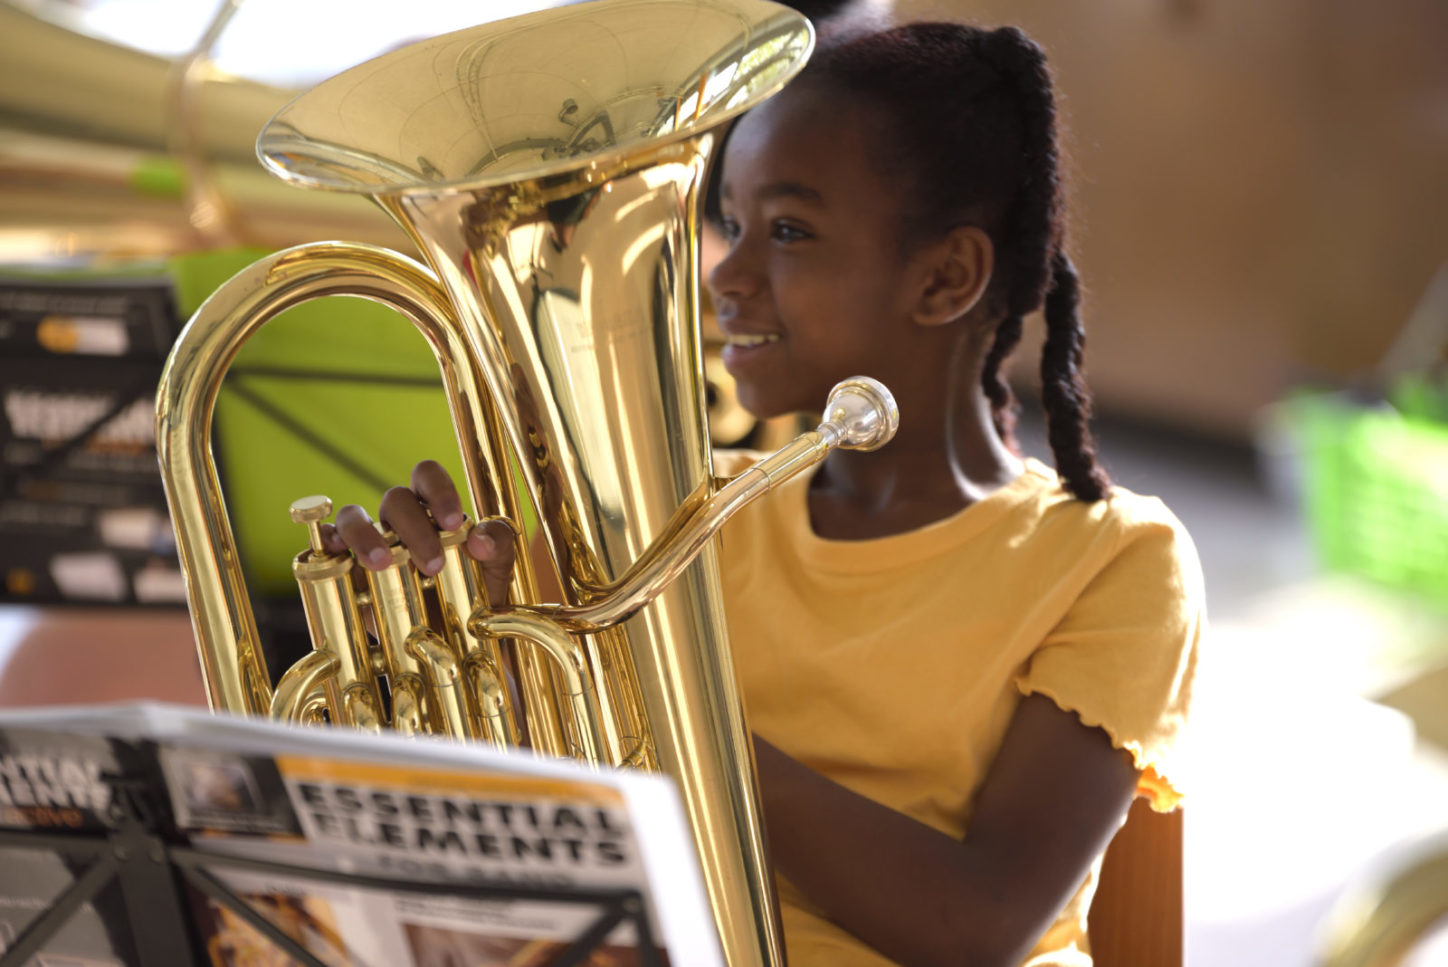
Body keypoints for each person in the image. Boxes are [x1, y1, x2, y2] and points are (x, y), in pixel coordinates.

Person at [322, 20, 1204, 967]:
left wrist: (671, 716)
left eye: (788, 231)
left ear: (946, 277)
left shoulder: (1116, 559)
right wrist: (434, 640)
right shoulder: (682, 518)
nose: (726, 275)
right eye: (733, 225)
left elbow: (976, 924)